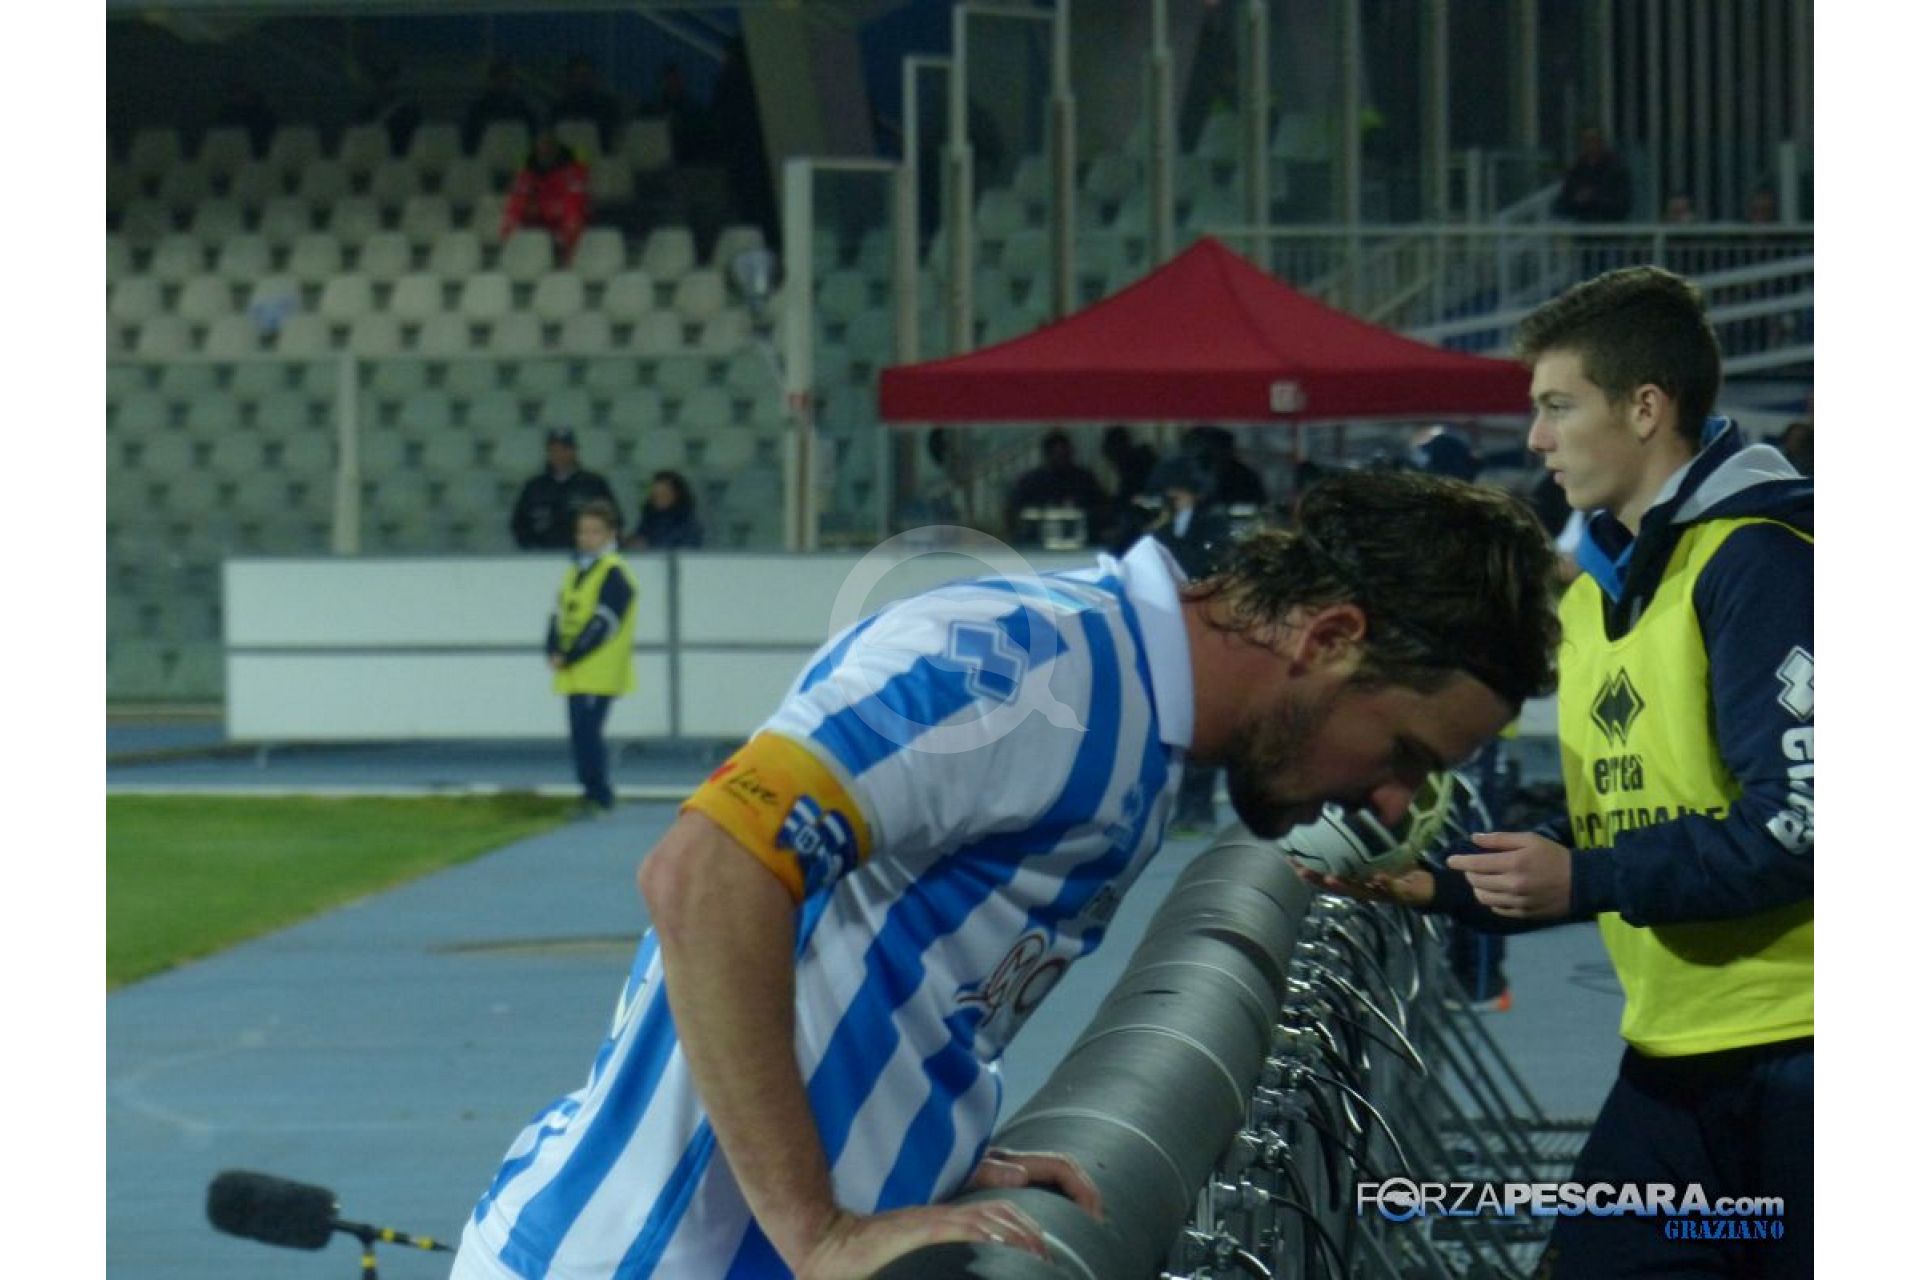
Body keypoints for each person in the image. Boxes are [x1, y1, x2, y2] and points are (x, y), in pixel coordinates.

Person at [450, 468, 1562, 1279]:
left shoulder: (1127, 718)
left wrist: (922, 1141)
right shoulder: (1034, 666)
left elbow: (891, 958)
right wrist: (819, 1233)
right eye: (1407, 753)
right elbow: (706, 872)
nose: (1392, 804)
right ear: (1327, 638)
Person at [1299, 266, 1813, 1278]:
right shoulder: (1597, 596)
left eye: (1558, 406)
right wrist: (1450, 885)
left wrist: (1588, 879)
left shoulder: (1766, 560)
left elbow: (1806, 824)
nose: (1536, 438)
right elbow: (1633, 813)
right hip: (1683, 1060)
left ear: (1646, 408)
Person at [1147, 454, 1236, 835]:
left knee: (1204, 715)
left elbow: (1212, 565)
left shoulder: (1214, 526)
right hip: (1173, 629)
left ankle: (1199, 806)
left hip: (1203, 628)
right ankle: (1182, 805)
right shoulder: (1162, 530)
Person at [546, 500, 637, 818]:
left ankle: (598, 794)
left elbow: (603, 623)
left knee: (587, 733)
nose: (587, 538)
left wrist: (570, 654)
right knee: (580, 733)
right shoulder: (576, 570)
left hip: (598, 670)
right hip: (576, 670)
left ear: (611, 534)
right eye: (582, 531)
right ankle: (592, 792)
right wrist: (552, 647)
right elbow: (559, 612)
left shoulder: (615, 573)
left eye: (595, 531)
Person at [511, 427, 620, 551]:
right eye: (554, 450)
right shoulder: (534, 487)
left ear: (575, 451)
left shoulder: (594, 485)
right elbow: (519, 525)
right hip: (543, 556)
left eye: (565, 449)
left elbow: (614, 521)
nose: (560, 455)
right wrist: (533, 548)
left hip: (586, 555)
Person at [500, 130, 592, 264]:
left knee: (573, 226)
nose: (544, 154)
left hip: (564, 234)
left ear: (556, 151)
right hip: (536, 233)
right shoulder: (526, 175)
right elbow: (515, 206)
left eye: (549, 150)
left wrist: (543, 210)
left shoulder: (573, 174)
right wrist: (510, 233)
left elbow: (574, 208)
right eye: (541, 151)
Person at [1005, 430, 1109, 545]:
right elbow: (1012, 510)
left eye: (1065, 455)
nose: (1062, 459)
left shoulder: (1084, 479)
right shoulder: (1031, 481)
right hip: (1037, 543)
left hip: (1082, 542)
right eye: (1057, 455)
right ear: (1047, 455)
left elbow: (1102, 506)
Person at [1552, 127, 1633, 223]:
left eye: (1593, 140)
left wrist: (1593, 198)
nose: (1590, 145)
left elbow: (1623, 204)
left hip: (1609, 227)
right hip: (1582, 226)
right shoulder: (1577, 171)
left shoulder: (1617, 170)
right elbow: (1563, 201)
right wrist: (1576, 200)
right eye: (1585, 142)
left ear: (1602, 143)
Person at [551, 54, 624, 155]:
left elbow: (615, 138)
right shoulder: (558, 109)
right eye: (578, 76)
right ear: (569, 78)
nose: (583, 80)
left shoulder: (607, 106)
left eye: (586, 75)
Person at [464, 58, 541, 153]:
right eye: (500, 78)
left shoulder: (524, 108)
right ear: (492, 79)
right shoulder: (478, 108)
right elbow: (470, 142)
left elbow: (535, 137)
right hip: (488, 158)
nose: (504, 82)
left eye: (509, 79)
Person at [626, 469, 705, 550]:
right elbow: (638, 537)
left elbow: (687, 549)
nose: (659, 499)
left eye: (664, 494)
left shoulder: (688, 522)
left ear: (677, 494)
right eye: (656, 495)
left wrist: (649, 546)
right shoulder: (649, 518)